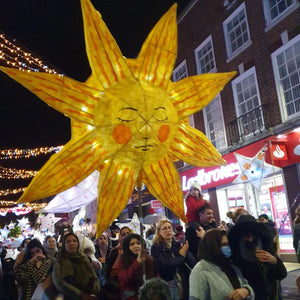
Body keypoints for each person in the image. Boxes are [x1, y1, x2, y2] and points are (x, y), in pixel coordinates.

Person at [228, 215, 287, 300]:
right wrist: (247, 290)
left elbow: (282, 274)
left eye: (253, 235)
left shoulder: (266, 248)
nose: (250, 239)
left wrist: (274, 262)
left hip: (271, 295)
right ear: (239, 237)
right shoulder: (236, 255)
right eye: (246, 236)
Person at [189, 228, 254, 300]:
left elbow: (244, 283)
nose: (227, 248)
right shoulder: (200, 271)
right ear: (213, 246)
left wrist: (246, 290)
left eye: (228, 244)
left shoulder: (230, 265)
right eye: (224, 244)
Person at [150, 218, 196, 300]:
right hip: (167, 284)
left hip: (182, 282)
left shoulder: (177, 244)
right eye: (164, 228)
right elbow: (166, 264)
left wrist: (185, 252)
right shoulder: (156, 247)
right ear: (159, 232)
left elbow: (191, 260)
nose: (167, 230)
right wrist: (181, 256)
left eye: (169, 227)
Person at [52, 233, 100, 300]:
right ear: (64, 245)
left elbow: (93, 275)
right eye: (68, 241)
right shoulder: (60, 261)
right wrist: (81, 295)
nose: (72, 243)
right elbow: (59, 283)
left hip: (90, 294)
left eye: (74, 241)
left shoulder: (83, 258)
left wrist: (96, 289)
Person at [118, 233, 157, 300]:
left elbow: (155, 276)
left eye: (138, 243)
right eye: (132, 244)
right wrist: (137, 262)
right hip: (131, 295)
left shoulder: (149, 259)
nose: (136, 246)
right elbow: (125, 279)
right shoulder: (123, 260)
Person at [103, 226, 132, 299]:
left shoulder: (134, 250)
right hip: (117, 287)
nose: (126, 236)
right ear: (120, 237)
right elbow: (110, 272)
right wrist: (120, 256)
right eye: (123, 234)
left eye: (128, 233)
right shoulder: (115, 251)